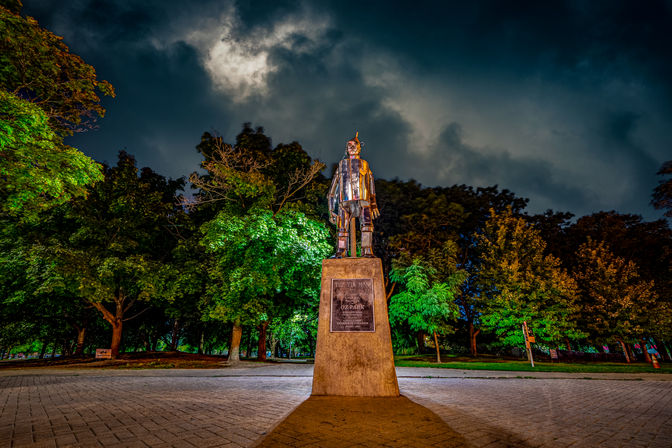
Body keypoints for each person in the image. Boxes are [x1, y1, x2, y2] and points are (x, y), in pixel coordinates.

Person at [327, 132, 380, 258]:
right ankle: (341, 250)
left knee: (367, 225)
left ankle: (366, 250)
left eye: (354, 144)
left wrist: (373, 203)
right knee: (342, 228)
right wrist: (331, 210)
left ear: (359, 147)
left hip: (363, 201)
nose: (351, 147)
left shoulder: (365, 164)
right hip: (344, 202)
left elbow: (370, 183)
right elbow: (332, 189)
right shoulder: (342, 165)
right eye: (349, 145)